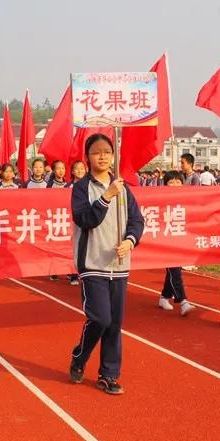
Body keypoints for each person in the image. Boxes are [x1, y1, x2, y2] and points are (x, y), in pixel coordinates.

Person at [69, 134, 144, 395]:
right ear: (87, 157)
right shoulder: (81, 188)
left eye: (107, 151)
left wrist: (131, 241)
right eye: (96, 152)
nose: (102, 156)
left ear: (113, 155)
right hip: (92, 263)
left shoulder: (124, 188)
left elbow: (137, 220)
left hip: (119, 264)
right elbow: (84, 219)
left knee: (115, 323)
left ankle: (109, 375)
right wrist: (106, 197)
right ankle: (80, 356)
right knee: (99, 318)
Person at [157, 170, 195, 316]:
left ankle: (164, 296)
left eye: (177, 181)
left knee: (173, 269)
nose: (174, 184)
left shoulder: (186, 200)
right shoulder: (158, 200)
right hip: (165, 241)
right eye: (170, 181)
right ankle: (183, 300)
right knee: (175, 269)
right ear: (165, 184)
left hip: (179, 240)